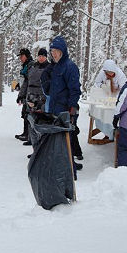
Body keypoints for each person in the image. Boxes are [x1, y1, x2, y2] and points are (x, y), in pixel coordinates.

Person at [41, 36, 82, 171]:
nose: (53, 54)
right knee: (58, 141)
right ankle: (62, 167)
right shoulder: (56, 67)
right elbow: (53, 88)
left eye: (56, 51)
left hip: (65, 110)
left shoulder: (70, 67)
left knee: (67, 141)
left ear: (62, 51)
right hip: (55, 108)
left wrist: (71, 109)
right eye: (52, 51)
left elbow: (75, 90)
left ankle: (70, 171)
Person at [24, 48, 50, 151]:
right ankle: (36, 151)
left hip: (42, 100)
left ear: (46, 57)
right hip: (30, 98)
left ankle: (42, 151)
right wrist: (22, 95)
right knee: (31, 124)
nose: (41, 58)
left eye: (43, 56)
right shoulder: (33, 66)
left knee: (40, 126)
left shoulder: (49, 67)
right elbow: (27, 81)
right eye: (39, 56)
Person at [15, 48, 34, 142]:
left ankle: (28, 135)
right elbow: (24, 80)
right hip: (26, 92)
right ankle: (25, 133)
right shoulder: (26, 65)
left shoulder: (30, 65)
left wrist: (22, 94)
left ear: (26, 56)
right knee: (25, 113)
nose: (20, 58)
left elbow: (29, 81)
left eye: (21, 56)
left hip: (29, 93)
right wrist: (19, 85)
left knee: (27, 114)